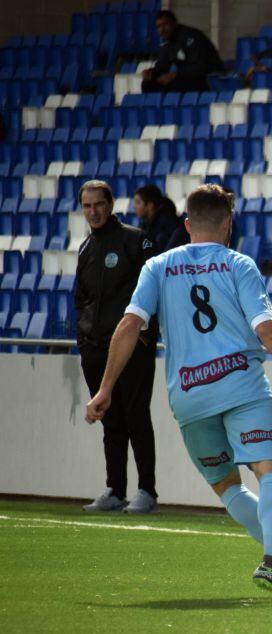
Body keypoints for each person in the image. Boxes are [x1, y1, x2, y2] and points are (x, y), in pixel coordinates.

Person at [85, 184, 272, 602]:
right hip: (240, 387)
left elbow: (128, 326)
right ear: (227, 224)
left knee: (229, 488)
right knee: (271, 473)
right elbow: (265, 329)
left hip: (188, 396)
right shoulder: (239, 265)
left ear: (186, 225)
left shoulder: (158, 266)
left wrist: (105, 387)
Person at [76, 181, 159, 515]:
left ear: (111, 204)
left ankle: (146, 490)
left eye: (98, 204)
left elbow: (153, 291)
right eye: (86, 206)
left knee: (137, 415)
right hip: (94, 347)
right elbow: (81, 299)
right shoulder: (85, 248)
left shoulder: (135, 240)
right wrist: (84, 338)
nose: (93, 211)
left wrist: (143, 335)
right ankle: (115, 489)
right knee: (109, 418)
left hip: (131, 345)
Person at [141, 10, 225, 94]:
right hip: (184, 77)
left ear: (174, 23)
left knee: (176, 83)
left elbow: (202, 67)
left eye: (165, 24)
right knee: (148, 84)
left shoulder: (190, 37)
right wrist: (151, 72)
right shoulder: (167, 42)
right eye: (158, 26)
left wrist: (175, 74)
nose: (162, 30)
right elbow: (162, 66)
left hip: (207, 78)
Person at [133, 185, 188, 254]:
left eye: (138, 202)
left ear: (150, 205)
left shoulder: (168, 221)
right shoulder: (145, 222)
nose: (134, 206)